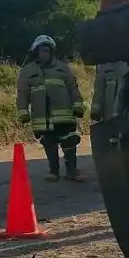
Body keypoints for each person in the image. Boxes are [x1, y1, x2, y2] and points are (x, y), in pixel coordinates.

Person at [16, 34, 86, 182]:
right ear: (36, 52)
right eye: (42, 51)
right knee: (49, 142)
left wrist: (78, 105)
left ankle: (72, 171)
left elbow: (73, 88)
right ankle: (54, 171)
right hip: (42, 118)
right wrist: (23, 112)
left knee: (69, 142)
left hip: (64, 116)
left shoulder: (62, 68)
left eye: (47, 50)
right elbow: (22, 93)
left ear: (52, 52)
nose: (44, 53)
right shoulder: (28, 71)